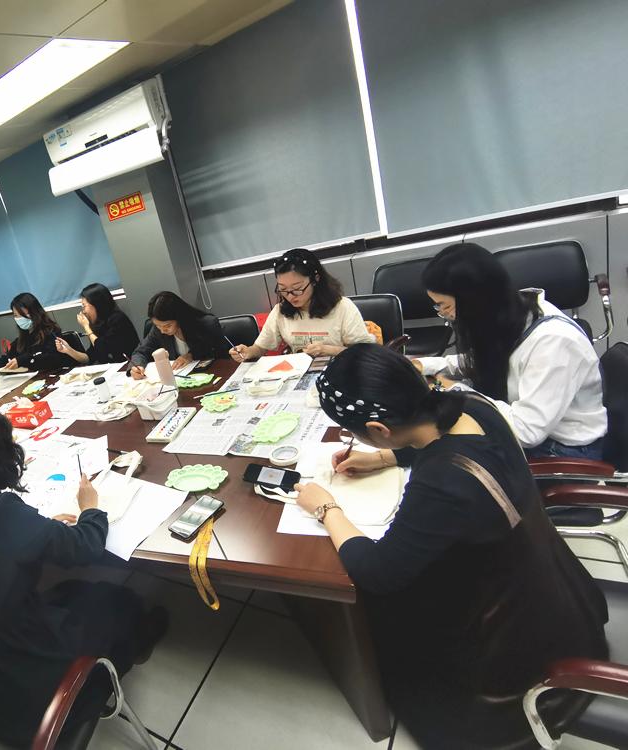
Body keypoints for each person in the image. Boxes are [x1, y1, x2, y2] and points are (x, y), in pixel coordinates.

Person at [294, 344, 607, 749]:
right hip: (548, 578)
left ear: (378, 429)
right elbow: (435, 437)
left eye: (354, 433)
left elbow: (378, 572)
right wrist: (385, 458)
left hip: (506, 626)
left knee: (372, 606)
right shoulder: (470, 404)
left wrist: (325, 508)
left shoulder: (445, 481)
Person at [0, 405, 168, 746]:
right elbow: (86, 548)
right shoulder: (2, 511)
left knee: (69, 589)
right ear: (0, 457)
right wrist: (91, 508)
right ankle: (135, 644)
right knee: (118, 600)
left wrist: (39, 529)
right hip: (34, 694)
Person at [417, 243, 607, 458]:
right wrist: (425, 366)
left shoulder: (554, 342)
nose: (445, 314)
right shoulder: (510, 311)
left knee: (440, 449)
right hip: (535, 433)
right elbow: (487, 359)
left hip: (560, 450)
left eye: (445, 306)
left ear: (473, 300)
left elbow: (526, 432)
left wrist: (450, 389)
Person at [231, 248, 374, 362]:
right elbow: (260, 348)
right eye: (283, 289)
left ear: (315, 279)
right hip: (300, 374)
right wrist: (248, 352)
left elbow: (366, 352)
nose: (290, 296)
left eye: (297, 288)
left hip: (340, 371)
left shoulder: (343, 307)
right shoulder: (280, 311)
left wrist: (328, 350)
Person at [129, 291, 229, 380]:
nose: (162, 331)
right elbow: (141, 351)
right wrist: (137, 366)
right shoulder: (158, 329)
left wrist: (192, 355)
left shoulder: (207, 324)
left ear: (179, 317)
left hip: (208, 376)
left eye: (167, 326)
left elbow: (221, 355)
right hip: (177, 379)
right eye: (158, 326)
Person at [0, 293, 81, 372]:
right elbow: (9, 359)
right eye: (16, 315)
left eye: (23, 315)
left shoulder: (52, 332)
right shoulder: (21, 340)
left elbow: (54, 359)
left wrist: (27, 359)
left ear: (34, 313)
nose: (19, 319)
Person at [55, 283, 140, 365]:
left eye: (85, 306)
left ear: (97, 304)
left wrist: (87, 328)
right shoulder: (96, 324)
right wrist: (69, 350)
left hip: (129, 367)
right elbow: (90, 358)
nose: (84, 311)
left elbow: (104, 349)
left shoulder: (118, 319)